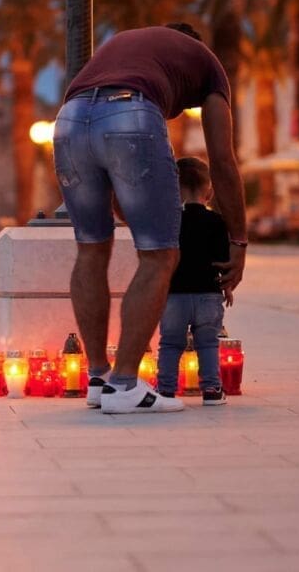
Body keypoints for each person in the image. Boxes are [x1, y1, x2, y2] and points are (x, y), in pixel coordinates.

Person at [53, 23, 247, 415]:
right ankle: (124, 384)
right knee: (160, 257)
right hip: (130, 114)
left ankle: (97, 377)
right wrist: (239, 241)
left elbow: (120, 203)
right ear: (194, 44)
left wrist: (142, 216)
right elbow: (223, 162)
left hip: (70, 119)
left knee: (91, 248)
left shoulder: (128, 45)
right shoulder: (207, 65)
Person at [154, 157, 230, 406]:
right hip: (208, 293)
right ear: (209, 191)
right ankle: (211, 389)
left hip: (174, 295)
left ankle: (165, 390)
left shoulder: (169, 222)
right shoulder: (217, 222)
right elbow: (223, 260)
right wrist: (226, 287)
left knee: (170, 344)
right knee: (208, 343)